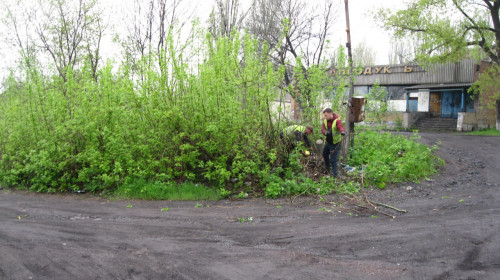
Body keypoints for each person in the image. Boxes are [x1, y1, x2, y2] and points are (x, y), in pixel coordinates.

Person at [321, 108, 346, 177]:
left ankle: (334, 175)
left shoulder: (337, 121)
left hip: (335, 144)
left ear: (331, 114)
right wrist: (325, 132)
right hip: (328, 142)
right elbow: (323, 129)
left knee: (333, 159)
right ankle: (327, 170)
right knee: (324, 155)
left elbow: (340, 127)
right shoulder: (325, 121)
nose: (325, 117)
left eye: (326, 115)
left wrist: (342, 132)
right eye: (324, 115)